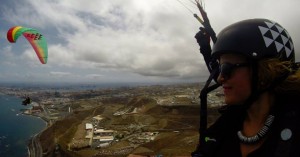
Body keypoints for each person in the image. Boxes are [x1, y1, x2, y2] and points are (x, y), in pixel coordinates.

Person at [192, 18, 300, 157]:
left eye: (226, 68)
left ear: (266, 72)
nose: (220, 78)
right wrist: (206, 50)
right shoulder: (222, 129)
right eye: (220, 69)